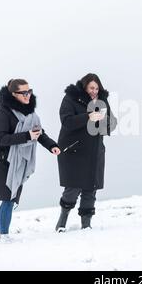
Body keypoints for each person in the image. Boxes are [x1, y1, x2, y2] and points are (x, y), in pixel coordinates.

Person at [0, 79, 61, 241]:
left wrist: (51, 146)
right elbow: (1, 139)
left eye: (29, 91)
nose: (28, 95)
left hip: (18, 161)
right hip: (0, 159)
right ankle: (3, 235)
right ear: (13, 94)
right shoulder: (2, 113)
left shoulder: (30, 114)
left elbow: (39, 133)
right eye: (23, 93)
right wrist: (26, 136)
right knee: (8, 197)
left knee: (10, 198)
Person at [56, 73, 117, 232]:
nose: (94, 91)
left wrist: (106, 121)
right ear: (84, 87)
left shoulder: (102, 101)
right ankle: (62, 219)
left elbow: (110, 125)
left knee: (91, 188)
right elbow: (67, 122)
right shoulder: (70, 98)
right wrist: (88, 116)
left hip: (95, 150)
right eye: (91, 88)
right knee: (73, 188)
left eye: (97, 88)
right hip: (74, 149)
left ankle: (86, 224)